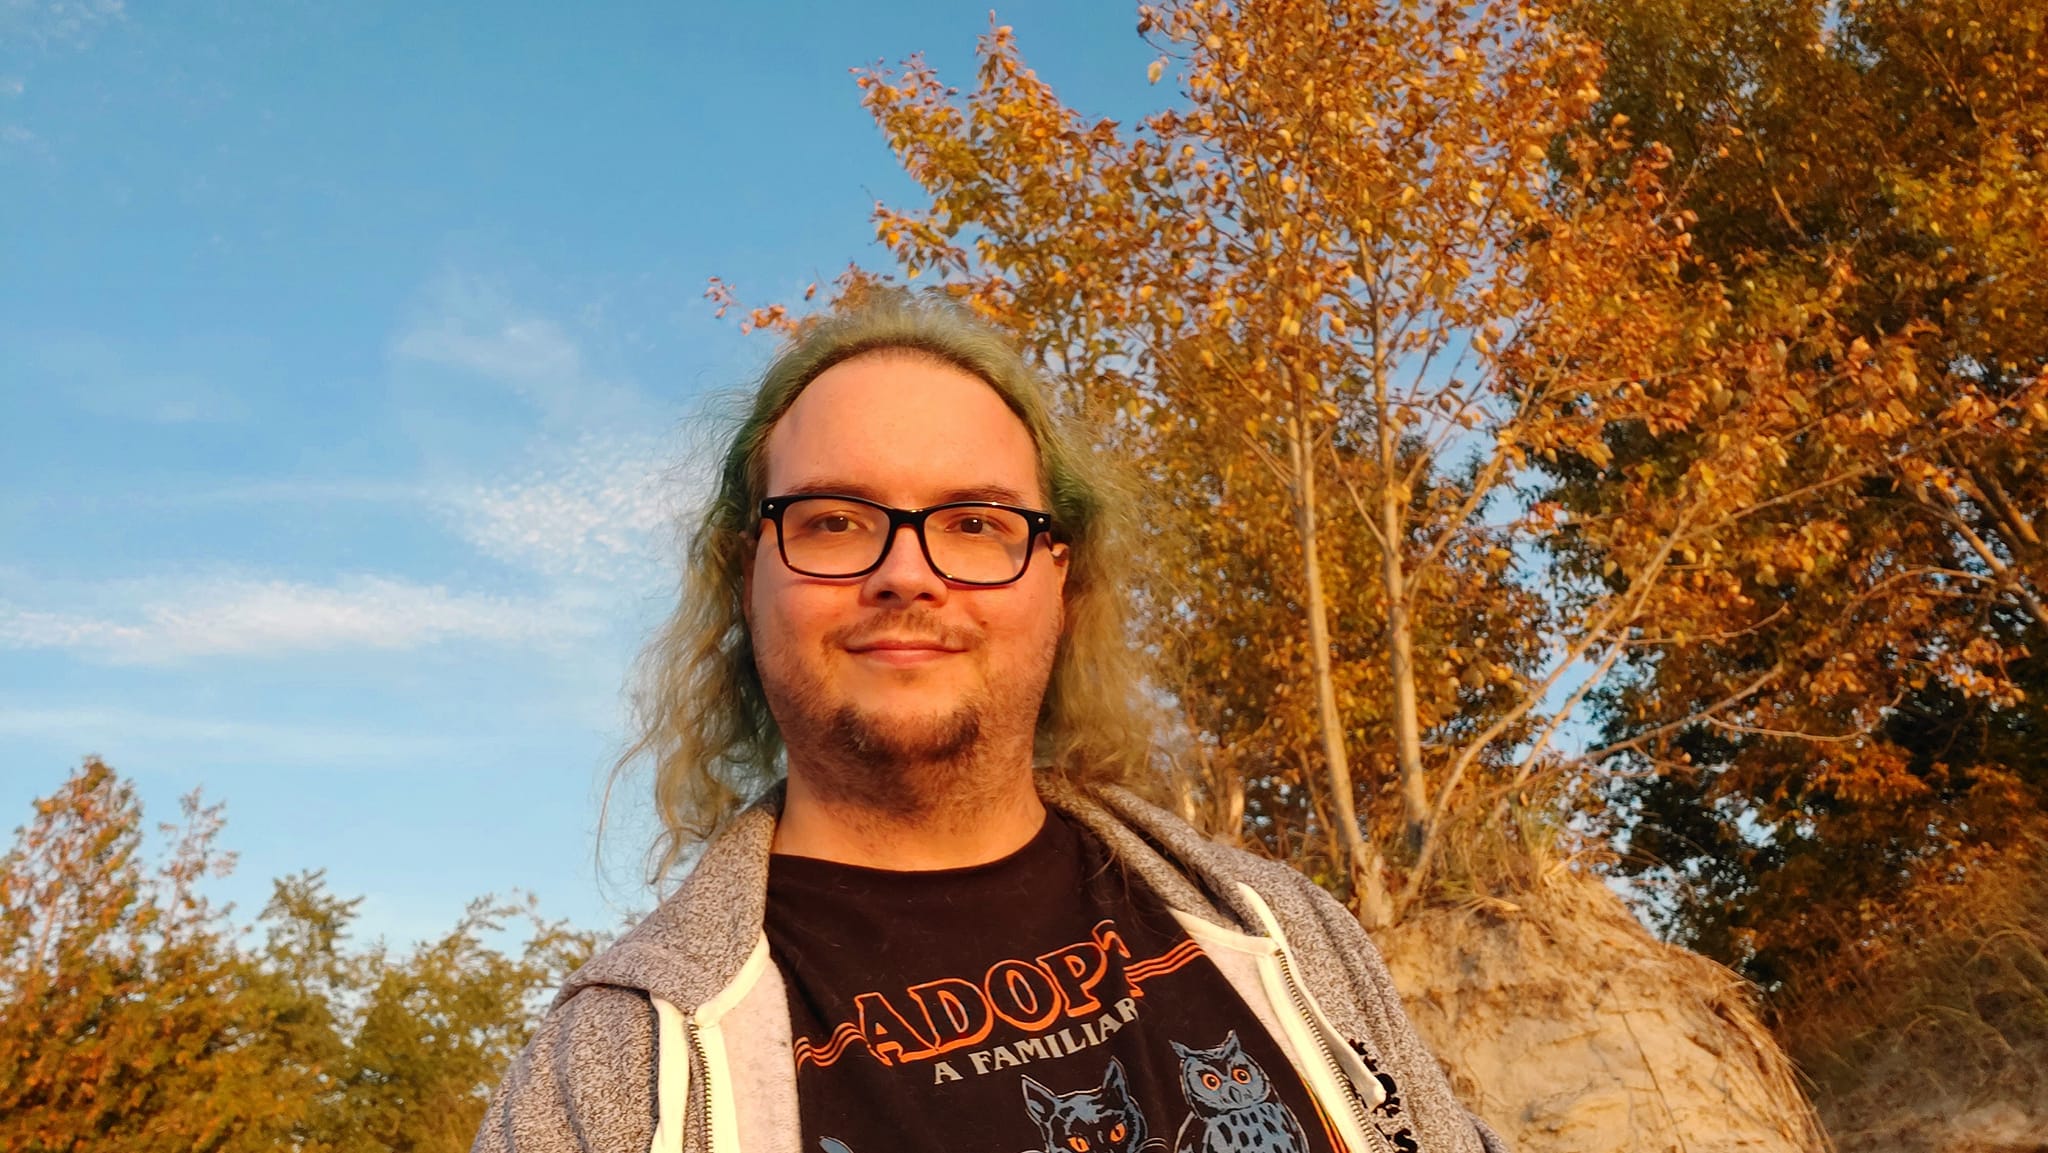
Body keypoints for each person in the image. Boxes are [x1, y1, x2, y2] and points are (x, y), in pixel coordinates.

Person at [472, 296, 1506, 1153]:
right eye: (832, 519)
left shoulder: (1285, 935)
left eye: (975, 523)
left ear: (1060, 578)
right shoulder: (608, 1072)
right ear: (747, 576)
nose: (904, 573)